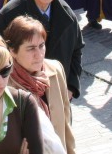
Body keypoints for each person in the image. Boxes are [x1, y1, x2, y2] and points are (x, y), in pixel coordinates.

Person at [0, 0, 84, 99]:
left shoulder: (67, 13)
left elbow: (76, 51)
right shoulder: (8, 16)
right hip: (20, 99)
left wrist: (70, 87)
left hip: (57, 96)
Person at [4, 16, 75, 154]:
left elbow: (66, 124)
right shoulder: (5, 84)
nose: (39, 54)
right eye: (30, 48)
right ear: (12, 51)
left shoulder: (55, 69)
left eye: (41, 46)